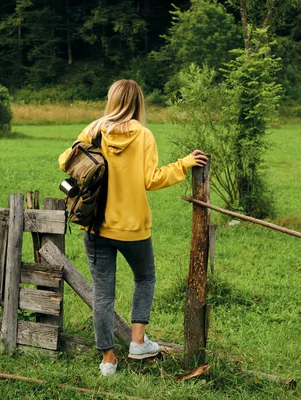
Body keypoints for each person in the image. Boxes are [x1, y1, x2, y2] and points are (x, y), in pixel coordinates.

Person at [58, 79, 207, 376]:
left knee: (103, 294)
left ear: (112, 100)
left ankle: (108, 361)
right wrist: (185, 163)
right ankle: (138, 341)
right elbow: (151, 180)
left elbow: (66, 162)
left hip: (97, 227)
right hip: (134, 228)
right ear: (139, 102)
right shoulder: (144, 135)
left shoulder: (93, 130)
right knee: (145, 278)